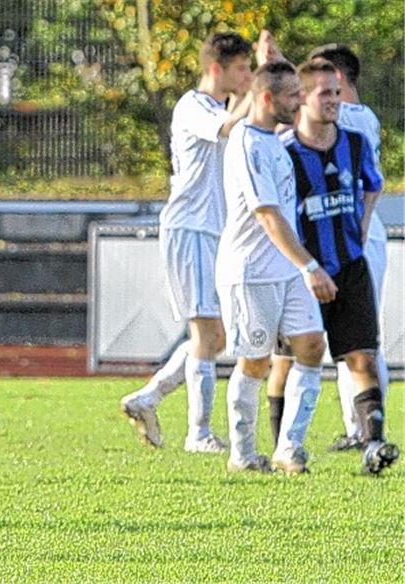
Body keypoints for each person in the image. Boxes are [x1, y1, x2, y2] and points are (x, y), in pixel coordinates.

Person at [119, 31, 260, 452]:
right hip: (192, 229)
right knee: (204, 331)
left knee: (218, 337)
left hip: (217, 231)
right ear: (217, 69)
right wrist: (257, 89)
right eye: (242, 68)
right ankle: (199, 433)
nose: (248, 76)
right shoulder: (193, 106)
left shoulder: (223, 107)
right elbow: (228, 127)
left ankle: (149, 397)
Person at [270, 59, 396, 474]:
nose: (335, 101)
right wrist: (303, 263)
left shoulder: (355, 143)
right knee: (288, 361)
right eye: (325, 93)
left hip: (350, 267)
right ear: (302, 98)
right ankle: (284, 447)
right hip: (302, 274)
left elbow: (373, 185)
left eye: (337, 92)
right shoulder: (284, 152)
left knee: (363, 358)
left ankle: (372, 445)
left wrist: (361, 225)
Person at [217, 60, 334, 474]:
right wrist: (310, 266)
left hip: (286, 269)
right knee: (255, 362)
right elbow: (267, 215)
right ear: (267, 98)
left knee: (312, 346)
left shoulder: (274, 139)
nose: (300, 101)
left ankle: (289, 447)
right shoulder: (246, 143)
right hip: (251, 272)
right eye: (292, 96)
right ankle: (243, 455)